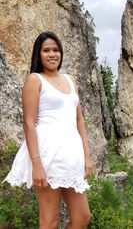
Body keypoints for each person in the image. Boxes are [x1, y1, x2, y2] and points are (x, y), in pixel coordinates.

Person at [3, 31, 93, 229]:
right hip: (47, 154)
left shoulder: (71, 80)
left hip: (71, 155)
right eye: (46, 50)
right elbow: (28, 123)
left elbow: (79, 120)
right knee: (49, 220)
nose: (52, 54)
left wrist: (86, 156)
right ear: (39, 54)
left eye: (55, 50)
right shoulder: (34, 80)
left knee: (82, 217)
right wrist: (36, 164)